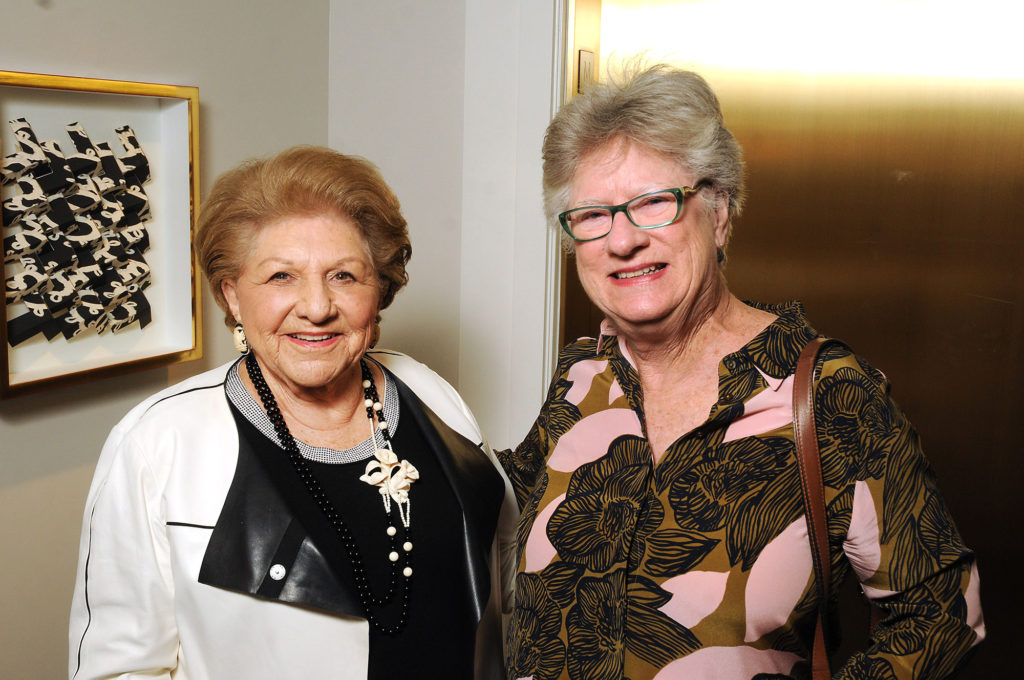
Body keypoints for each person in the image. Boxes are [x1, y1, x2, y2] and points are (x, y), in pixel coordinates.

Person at [498, 65, 984, 680]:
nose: (622, 241)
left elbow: (942, 613)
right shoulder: (581, 376)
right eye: (593, 215)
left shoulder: (830, 394)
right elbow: (495, 514)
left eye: (653, 202)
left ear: (720, 212)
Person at [69, 146, 515, 679]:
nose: (317, 306)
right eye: (281, 276)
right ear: (232, 295)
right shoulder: (156, 441)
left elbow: (511, 568)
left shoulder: (431, 392)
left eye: (345, 276)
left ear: (379, 291)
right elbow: (119, 669)